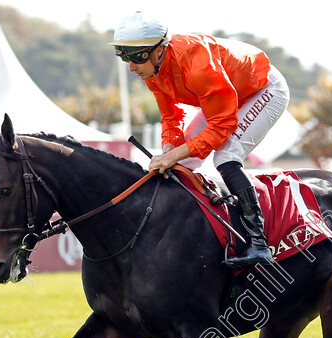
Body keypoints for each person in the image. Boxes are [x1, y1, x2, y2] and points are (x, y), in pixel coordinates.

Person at [111, 11, 290, 268]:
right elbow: (171, 117)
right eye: (123, 55)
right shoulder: (152, 70)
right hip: (228, 93)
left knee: (226, 156)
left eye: (136, 56)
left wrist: (173, 155)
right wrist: (169, 149)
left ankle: (259, 243)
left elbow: (222, 126)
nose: (131, 66)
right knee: (180, 165)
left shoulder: (197, 65)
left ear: (159, 50)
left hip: (263, 88)